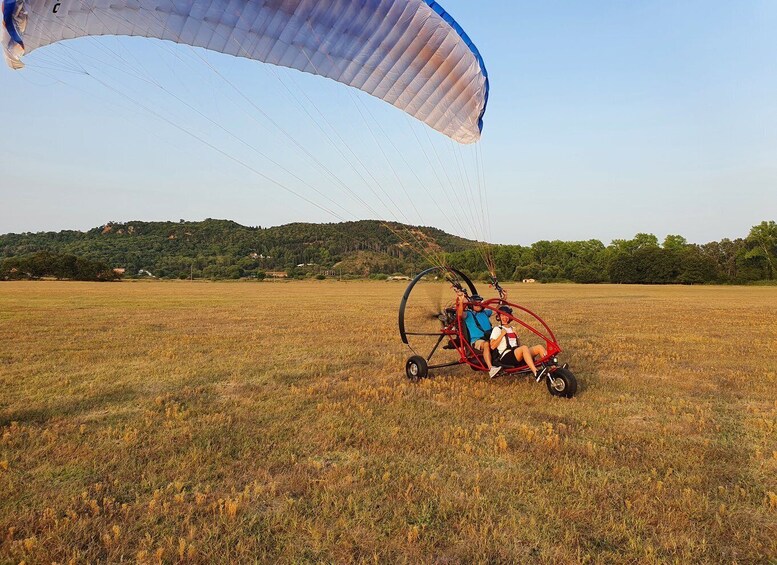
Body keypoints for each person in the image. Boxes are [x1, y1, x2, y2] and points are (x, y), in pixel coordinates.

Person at [489, 305, 548, 379]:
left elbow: (518, 345)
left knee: (539, 347)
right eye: (502, 315)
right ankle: (536, 372)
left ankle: (553, 369)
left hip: (516, 352)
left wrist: (516, 335)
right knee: (524, 348)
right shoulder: (497, 329)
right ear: (499, 317)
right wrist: (502, 335)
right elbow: (492, 346)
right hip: (505, 356)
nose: (505, 317)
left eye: (507, 315)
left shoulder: (513, 328)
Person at [455, 289, 501, 377]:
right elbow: (460, 314)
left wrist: (503, 299)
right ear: (471, 305)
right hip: (477, 341)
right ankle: (491, 369)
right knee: (486, 344)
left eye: (480, 302)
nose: (478, 304)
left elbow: (496, 310)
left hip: (489, 337)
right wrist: (461, 301)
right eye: (476, 303)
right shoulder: (468, 314)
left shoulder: (484, 313)